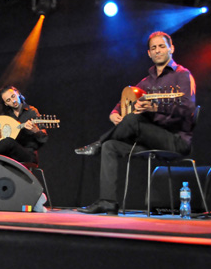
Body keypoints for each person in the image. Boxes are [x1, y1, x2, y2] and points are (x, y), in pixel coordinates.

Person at [75, 31, 196, 215]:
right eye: (153, 48)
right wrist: (114, 113)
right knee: (111, 146)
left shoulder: (182, 75)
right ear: (149, 53)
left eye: (162, 46)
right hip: (150, 140)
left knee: (132, 119)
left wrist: (155, 109)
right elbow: (122, 102)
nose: (157, 51)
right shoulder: (147, 82)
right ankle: (108, 202)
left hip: (175, 140)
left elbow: (187, 109)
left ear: (171, 48)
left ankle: (97, 144)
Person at [0, 86, 48, 164]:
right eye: (8, 100)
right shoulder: (7, 117)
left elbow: (43, 139)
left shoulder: (31, 112)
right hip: (11, 155)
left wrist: (36, 130)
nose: (13, 101)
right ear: (6, 104)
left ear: (17, 93)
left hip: (27, 155)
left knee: (8, 141)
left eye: (13, 96)